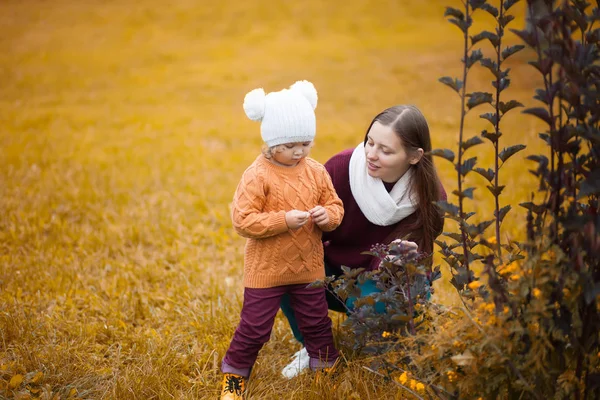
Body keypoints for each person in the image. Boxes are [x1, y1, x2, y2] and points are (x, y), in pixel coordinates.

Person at [280, 104, 447, 378]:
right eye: (370, 142)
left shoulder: (430, 197)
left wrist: (406, 260)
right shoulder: (341, 168)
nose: (371, 154)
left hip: (384, 281)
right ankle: (312, 347)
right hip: (335, 273)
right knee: (283, 268)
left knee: (385, 313)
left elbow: (421, 261)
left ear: (415, 156)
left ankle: (390, 342)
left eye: (386, 150)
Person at [220, 80, 345, 400]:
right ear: (272, 142)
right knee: (254, 329)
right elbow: (242, 220)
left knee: (317, 325)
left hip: (308, 268)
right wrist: (283, 220)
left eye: (306, 143)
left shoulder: (316, 171)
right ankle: (233, 378)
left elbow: (335, 206)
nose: (299, 151)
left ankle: (325, 373)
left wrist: (326, 218)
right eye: (290, 145)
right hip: (267, 271)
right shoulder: (257, 175)